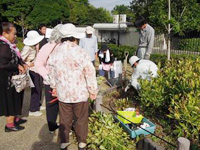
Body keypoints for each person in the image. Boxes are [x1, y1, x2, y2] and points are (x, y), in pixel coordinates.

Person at [48, 23, 98, 150]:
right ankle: (82, 142)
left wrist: (54, 87)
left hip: (63, 93)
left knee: (64, 119)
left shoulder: (55, 52)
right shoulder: (80, 51)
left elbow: (51, 72)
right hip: (80, 92)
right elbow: (90, 72)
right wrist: (93, 90)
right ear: (74, 37)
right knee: (81, 118)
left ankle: (64, 142)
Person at [35, 24, 63, 133]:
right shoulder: (47, 46)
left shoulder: (68, 46)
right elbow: (38, 63)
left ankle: (65, 126)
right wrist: (47, 75)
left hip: (66, 81)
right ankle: (52, 125)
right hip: (50, 81)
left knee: (65, 105)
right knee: (52, 104)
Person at [0, 22, 27, 132]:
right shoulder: (3, 47)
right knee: (10, 100)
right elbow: (2, 65)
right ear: (5, 33)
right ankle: (9, 124)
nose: (15, 36)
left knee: (15, 98)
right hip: (7, 80)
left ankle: (14, 119)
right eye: (13, 34)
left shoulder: (8, 45)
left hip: (12, 79)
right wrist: (16, 65)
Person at [21, 30, 44, 117]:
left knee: (38, 87)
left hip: (35, 69)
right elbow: (22, 58)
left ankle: (37, 104)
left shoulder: (34, 46)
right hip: (31, 69)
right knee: (35, 89)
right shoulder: (27, 47)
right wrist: (28, 63)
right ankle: (33, 109)